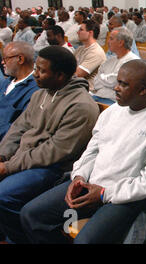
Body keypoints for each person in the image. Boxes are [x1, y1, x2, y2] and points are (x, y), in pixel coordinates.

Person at [20, 60, 146, 244]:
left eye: (123, 84)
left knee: (85, 242)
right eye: (117, 81)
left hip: (126, 198)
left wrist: (103, 194)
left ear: (143, 90)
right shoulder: (112, 111)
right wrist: (79, 177)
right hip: (90, 184)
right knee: (31, 215)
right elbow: (93, 150)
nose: (115, 88)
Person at [0, 46, 99, 243]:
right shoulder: (40, 93)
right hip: (26, 159)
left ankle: (22, 238)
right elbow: (19, 128)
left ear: (60, 76)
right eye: (36, 68)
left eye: (41, 70)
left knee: (3, 196)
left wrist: (8, 166)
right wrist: (2, 156)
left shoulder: (81, 106)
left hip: (54, 170)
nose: (35, 74)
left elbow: (53, 151)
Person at [0, 42, 39, 141]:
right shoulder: (6, 82)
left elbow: (20, 129)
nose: (2, 62)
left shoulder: (35, 90)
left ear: (20, 59)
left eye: (5, 58)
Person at [90, 27, 139, 105]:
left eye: (111, 39)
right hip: (98, 96)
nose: (108, 42)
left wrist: (102, 77)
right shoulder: (109, 61)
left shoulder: (133, 61)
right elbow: (96, 83)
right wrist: (107, 80)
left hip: (115, 102)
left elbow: (116, 82)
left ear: (121, 43)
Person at [74, 20, 107, 90]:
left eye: (81, 30)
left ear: (90, 33)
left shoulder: (96, 52)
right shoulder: (80, 49)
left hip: (88, 91)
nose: (78, 32)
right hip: (77, 87)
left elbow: (77, 74)